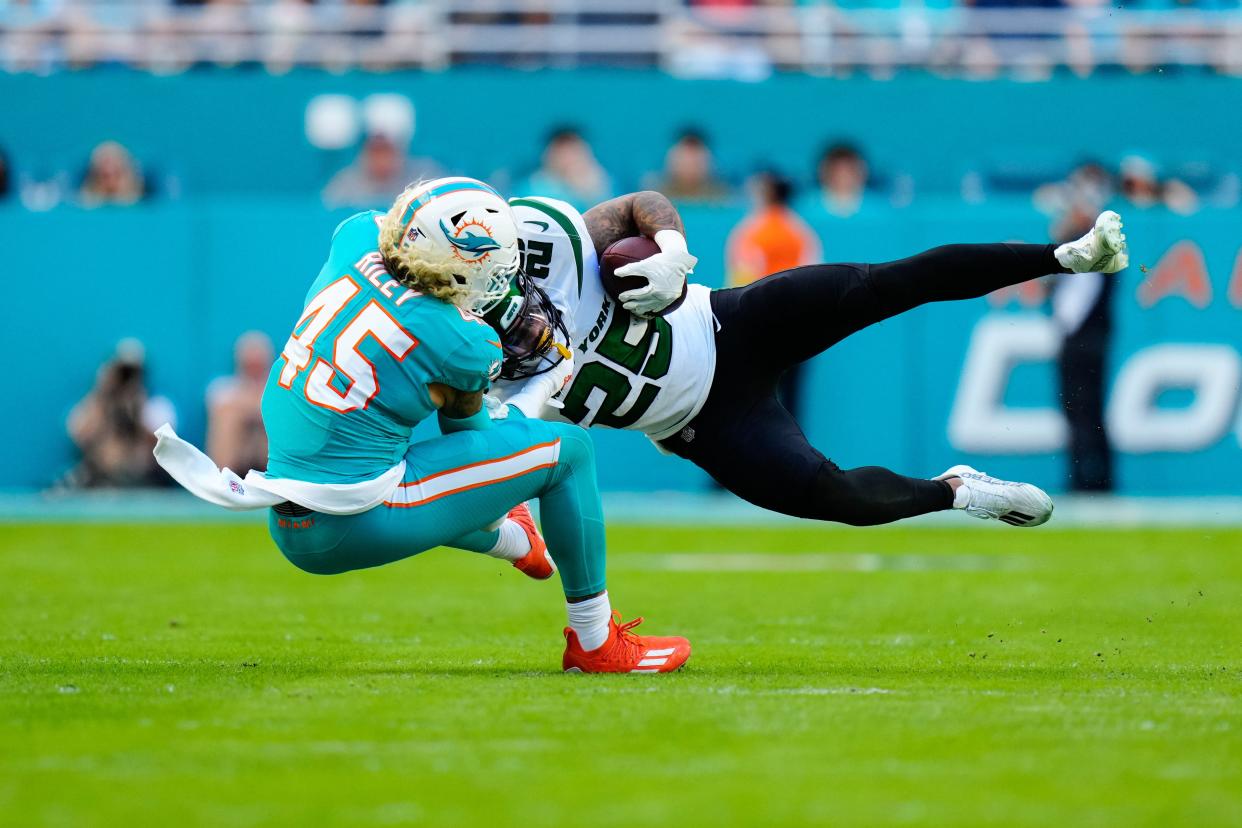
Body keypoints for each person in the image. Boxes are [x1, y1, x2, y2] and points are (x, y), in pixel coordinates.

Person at [154, 177, 689, 674]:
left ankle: (513, 541)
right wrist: (539, 392)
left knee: (433, 473)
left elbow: (381, 230)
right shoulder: (461, 338)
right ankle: (597, 642)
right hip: (354, 522)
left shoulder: (354, 240)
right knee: (570, 452)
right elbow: (474, 439)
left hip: (287, 507)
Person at [482, 189, 1132, 528]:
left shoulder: (552, 243)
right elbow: (492, 443)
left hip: (727, 323)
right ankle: (956, 492)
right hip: (708, 426)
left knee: (887, 284)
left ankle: (1064, 256)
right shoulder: (469, 359)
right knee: (838, 495)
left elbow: (635, 206)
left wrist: (671, 246)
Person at [725, 171, 821, 420]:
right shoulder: (800, 231)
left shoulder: (752, 230)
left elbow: (741, 281)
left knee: (754, 405)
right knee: (793, 407)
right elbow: (815, 278)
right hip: (800, 327)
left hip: (761, 327)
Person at [67, 339, 177, 488]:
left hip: (145, 482)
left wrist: (136, 411)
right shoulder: (100, 404)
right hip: (103, 480)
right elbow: (79, 434)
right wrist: (102, 394)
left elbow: (165, 448)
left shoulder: (157, 405)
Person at [206, 331, 274, 474]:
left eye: (258, 364)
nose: (254, 369)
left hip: (266, 456)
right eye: (249, 364)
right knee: (228, 417)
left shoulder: (279, 390)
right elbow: (222, 407)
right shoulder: (222, 387)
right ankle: (223, 478)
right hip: (238, 459)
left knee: (276, 419)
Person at [322, 132, 443, 208]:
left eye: (386, 152)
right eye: (375, 152)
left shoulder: (425, 175)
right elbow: (328, 211)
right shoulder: (345, 183)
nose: (381, 159)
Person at [523, 127, 611, 209]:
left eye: (574, 151)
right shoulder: (534, 188)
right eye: (562, 152)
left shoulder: (602, 182)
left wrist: (591, 192)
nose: (568, 158)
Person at [644, 129, 732, 204]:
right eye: (683, 160)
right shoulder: (655, 195)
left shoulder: (722, 196)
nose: (690, 167)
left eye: (696, 162)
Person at [79, 141, 145, 207]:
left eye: (116, 174)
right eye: (105, 176)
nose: (111, 182)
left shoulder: (141, 193)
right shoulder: (86, 196)